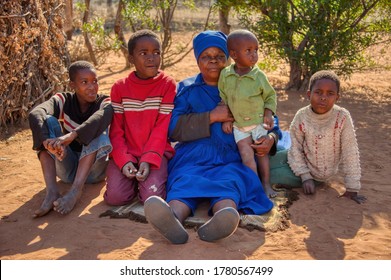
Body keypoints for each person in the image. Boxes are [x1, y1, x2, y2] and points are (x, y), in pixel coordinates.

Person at [144, 30, 280, 244]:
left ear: (230, 57)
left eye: (220, 55)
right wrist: (211, 116)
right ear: (197, 60)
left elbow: (268, 115)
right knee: (184, 181)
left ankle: (223, 218)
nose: (213, 61)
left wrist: (271, 136)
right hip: (193, 155)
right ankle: (172, 219)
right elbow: (172, 129)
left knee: (230, 182)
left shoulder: (248, 83)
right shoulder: (187, 90)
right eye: (206, 56)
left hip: (231, 155)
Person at [28, 60, 113, 217]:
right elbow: (36, 113)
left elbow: (99, 118)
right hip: (67, 168)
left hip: (94, 173)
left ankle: (76, 191)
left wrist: (71, 135)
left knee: (97, 130)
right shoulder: (63, 100)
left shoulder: (105, 102)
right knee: (46, 122)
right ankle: (52, 191)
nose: (92, 87)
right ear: (72, 85)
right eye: (84, 82)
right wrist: (47, 141)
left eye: (95, 81)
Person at [104, 30, 176, 206]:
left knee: (152, 198)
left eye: (156, 52)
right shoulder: (120, 88)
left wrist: (148, 159)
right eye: (143, 53)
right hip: (126, 151)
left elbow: (162, 128)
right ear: (131, 59)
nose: (151, 58)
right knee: (115, 198)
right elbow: (116, 130)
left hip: (156, 152)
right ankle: (131, 180)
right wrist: (123, 160)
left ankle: (147, 181)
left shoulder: (167, 84)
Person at [287, 70, 366, 204]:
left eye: (330, 94)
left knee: (272, 174)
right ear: (308, 94)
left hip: (318, 176)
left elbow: (350, 151)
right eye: (318, 92)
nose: (323, 97)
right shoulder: (301, 116)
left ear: (337, 98)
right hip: (301, 170)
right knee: (269, 158)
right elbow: (295, 148)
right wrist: (305, 176)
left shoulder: (342, 117)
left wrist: (352, 187)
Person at [218, 29, 277, 198]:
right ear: (234, 54)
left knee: (262, 153)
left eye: (256, 50)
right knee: (246, 156)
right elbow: (223, 98)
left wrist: (268, 113)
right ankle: (255, 186)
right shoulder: (226, 75)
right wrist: (227, 119)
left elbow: (270, 96)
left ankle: (266, 184)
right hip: (239, 126)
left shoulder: (259, 76)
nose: (254, 55)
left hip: (259, 123)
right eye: (248, 51)